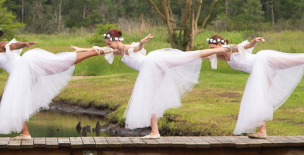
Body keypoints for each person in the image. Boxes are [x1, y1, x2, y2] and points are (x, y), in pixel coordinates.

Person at [0, 26, 103, 138]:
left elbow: (13, 45)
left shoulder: (3, 45)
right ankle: (24, 132)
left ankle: (93, 52)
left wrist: (24, 44)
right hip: (20, 74)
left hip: (23, 69)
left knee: (58, 65)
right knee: (19, 100)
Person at [73, 30, 220, 138]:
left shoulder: (125, 48)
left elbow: (137, 49)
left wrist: (142, 42)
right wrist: (81, 50)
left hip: (152, 64)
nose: (109, 47)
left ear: (117, 40)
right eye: (108, 45)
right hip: (153, 68)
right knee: (183, 60)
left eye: (110, 44)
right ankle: (155, 132)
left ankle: (218, 51)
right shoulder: (118, 50)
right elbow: (100, 51)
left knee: (185, 57)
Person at [205, 34, 304, 137]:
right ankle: (262, 130)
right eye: (210, 48)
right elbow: (202, 55)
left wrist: (255, 41)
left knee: (297, 60)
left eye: (212, 48)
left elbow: (247, 46)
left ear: (219, 45)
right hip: (263, 71)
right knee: (261, 98)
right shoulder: (219, 55)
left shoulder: (229, 50)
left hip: (263, 61)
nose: (211, 50)